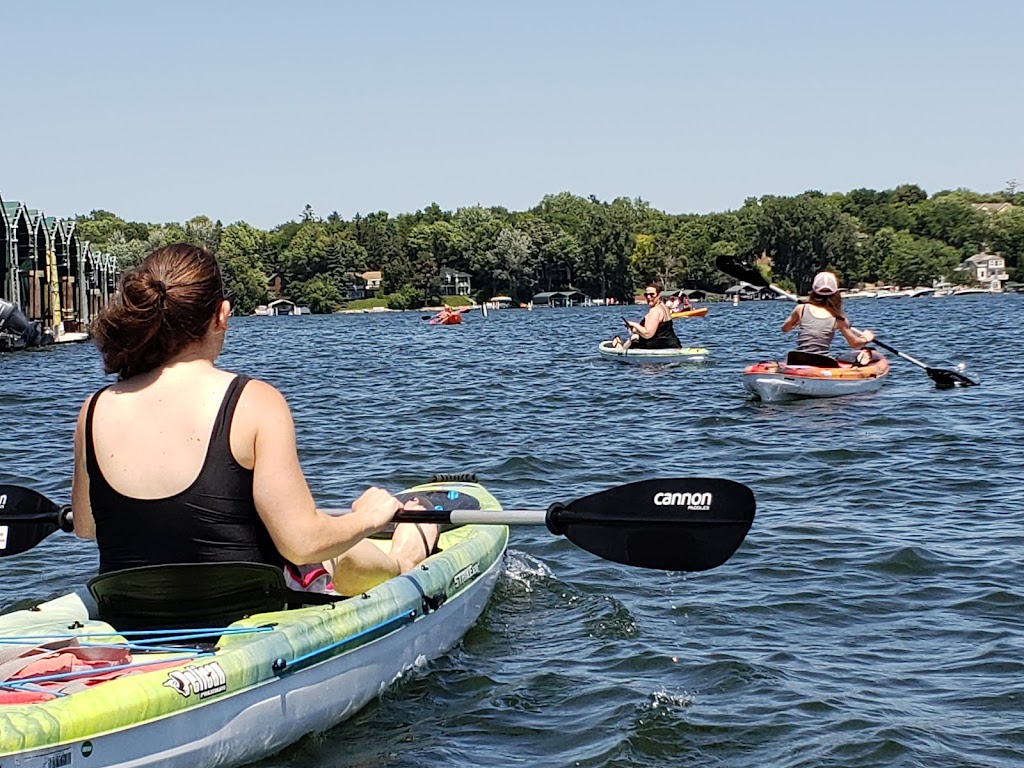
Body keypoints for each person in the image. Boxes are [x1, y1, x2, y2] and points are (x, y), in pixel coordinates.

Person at [71, 243, 438, 597]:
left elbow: (87, 527)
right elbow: (301, 543)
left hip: (132, 616)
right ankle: (404, 559)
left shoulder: (95, 407)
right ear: (222, 314)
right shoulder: (254, 401)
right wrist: (369, 518)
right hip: (245, 617)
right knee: (333, 554)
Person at [781, 271, 875, 361]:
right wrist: (866, 338)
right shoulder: (838, 317)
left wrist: (800, 319)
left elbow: (785, 328)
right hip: (822, 361)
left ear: (813, 291)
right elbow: (854, 343)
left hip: (797, 359)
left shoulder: (801, 309)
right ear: (835, 293)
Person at [611, 282, 681, 350]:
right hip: (674, 344)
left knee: (627, 341)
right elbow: (659, 330)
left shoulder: (655, 311)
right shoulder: (664, 307)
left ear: (659, 295)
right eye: (646, 295)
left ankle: (617, 344)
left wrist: (633, 324)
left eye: (652, 294)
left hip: (658, 346)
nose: (648, 297)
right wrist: (636, 329)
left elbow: (647, 334)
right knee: (635, 337)